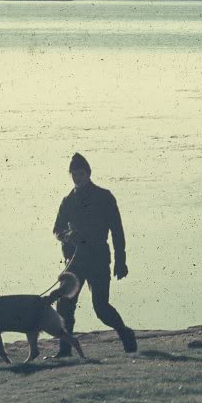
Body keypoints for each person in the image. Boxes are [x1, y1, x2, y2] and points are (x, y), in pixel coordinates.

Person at [49, 152, 137, 358]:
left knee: (101, 307)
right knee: (65, 305)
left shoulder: (104, 197)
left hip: (98, 259)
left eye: (80, 173)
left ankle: (125, 334)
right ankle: (65, 350)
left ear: (88, 173)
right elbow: (57, 230)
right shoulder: (67, 201)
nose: (77, 177)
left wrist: (120, 261)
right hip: (74, 262)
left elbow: (117, 230)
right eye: (74, 174)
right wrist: (68, 235)